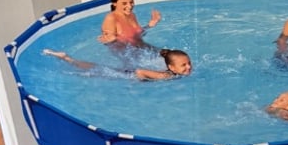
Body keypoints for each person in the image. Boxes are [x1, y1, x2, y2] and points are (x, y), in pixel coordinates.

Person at [44, 46, 191, 81]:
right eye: (183, 65)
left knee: (96, 69)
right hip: (126, 75)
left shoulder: (172, 72)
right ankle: (67, 59)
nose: (188, 67)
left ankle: (68, 58)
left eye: (188, 63)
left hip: (128, 71)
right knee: (94, 71)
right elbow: (140, 72)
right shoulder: (166, 75)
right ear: (171, 67)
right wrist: (141, 82)